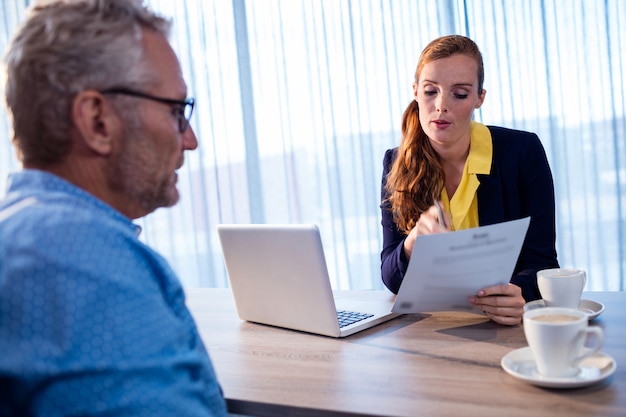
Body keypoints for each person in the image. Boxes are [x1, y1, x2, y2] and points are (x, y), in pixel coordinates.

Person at [0, 0, 228, 415]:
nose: (190, 139)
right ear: (97, 121)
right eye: (177, 111)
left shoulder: (26, 232)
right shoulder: (74, 257)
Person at [380, 35, 559, 326]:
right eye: (430, 91)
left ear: (479, 97)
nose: (441, 106)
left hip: (501, 328)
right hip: (430, 330)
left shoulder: (523, 152)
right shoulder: (395, 162)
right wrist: (412, 244)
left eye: (459, 94)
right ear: (415, 92)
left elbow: (543, 264)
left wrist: (521, 294)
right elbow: (391, 277)